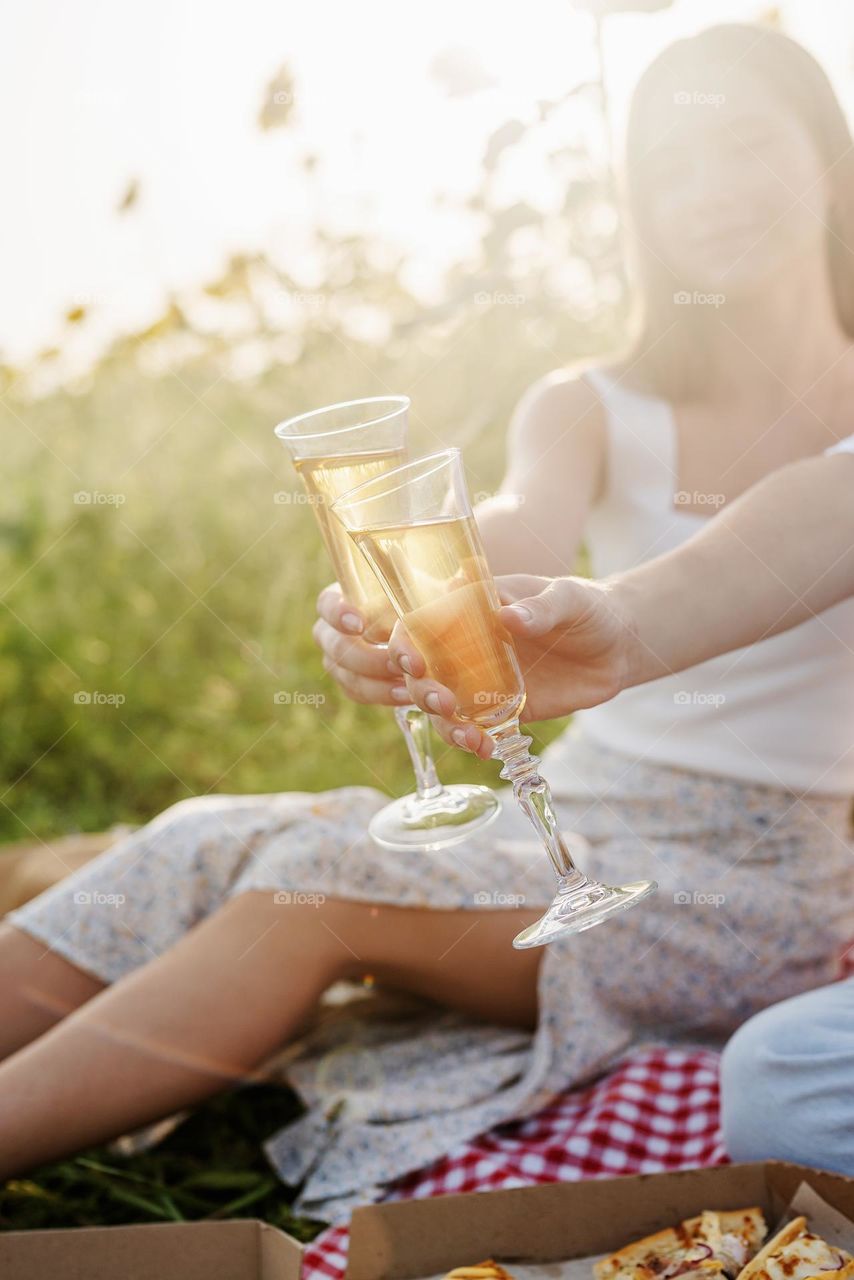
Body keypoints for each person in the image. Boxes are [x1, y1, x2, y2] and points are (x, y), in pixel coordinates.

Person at [3, 24, 854, 1220]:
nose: (709, 192)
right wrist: (401, 587)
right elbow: (515, 526)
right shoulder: (591, 400)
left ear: (824, 155)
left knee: (315, 880)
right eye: (672, 165)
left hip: (750, 884)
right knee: (205, 832)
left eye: (742, 148)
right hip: (575, 806)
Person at [389, 437, 854, 1176]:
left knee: (322, 883)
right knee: (779, 1085)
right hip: (597, 794)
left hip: (746, 863)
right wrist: (621, 630)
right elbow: (829, 504)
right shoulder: (589, 402)